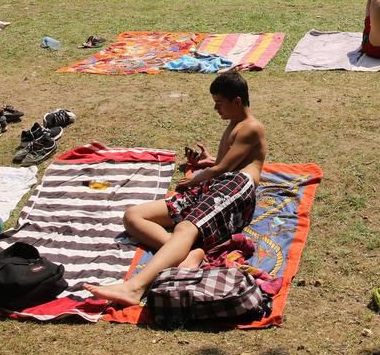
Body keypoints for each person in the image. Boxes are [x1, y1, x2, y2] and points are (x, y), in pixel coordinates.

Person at [82, 72, 265, 307]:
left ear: (237, 101)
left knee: (185, 228)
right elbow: (222, 163)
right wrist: (206, 162)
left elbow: (226, 169)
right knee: (133, 216)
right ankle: (187, 253)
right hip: (218, 183)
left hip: (236, 187)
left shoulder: (251, 128)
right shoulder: (234, 125)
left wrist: (196, 179)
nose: (216, 109)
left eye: (219, 103)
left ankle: (134, 287)